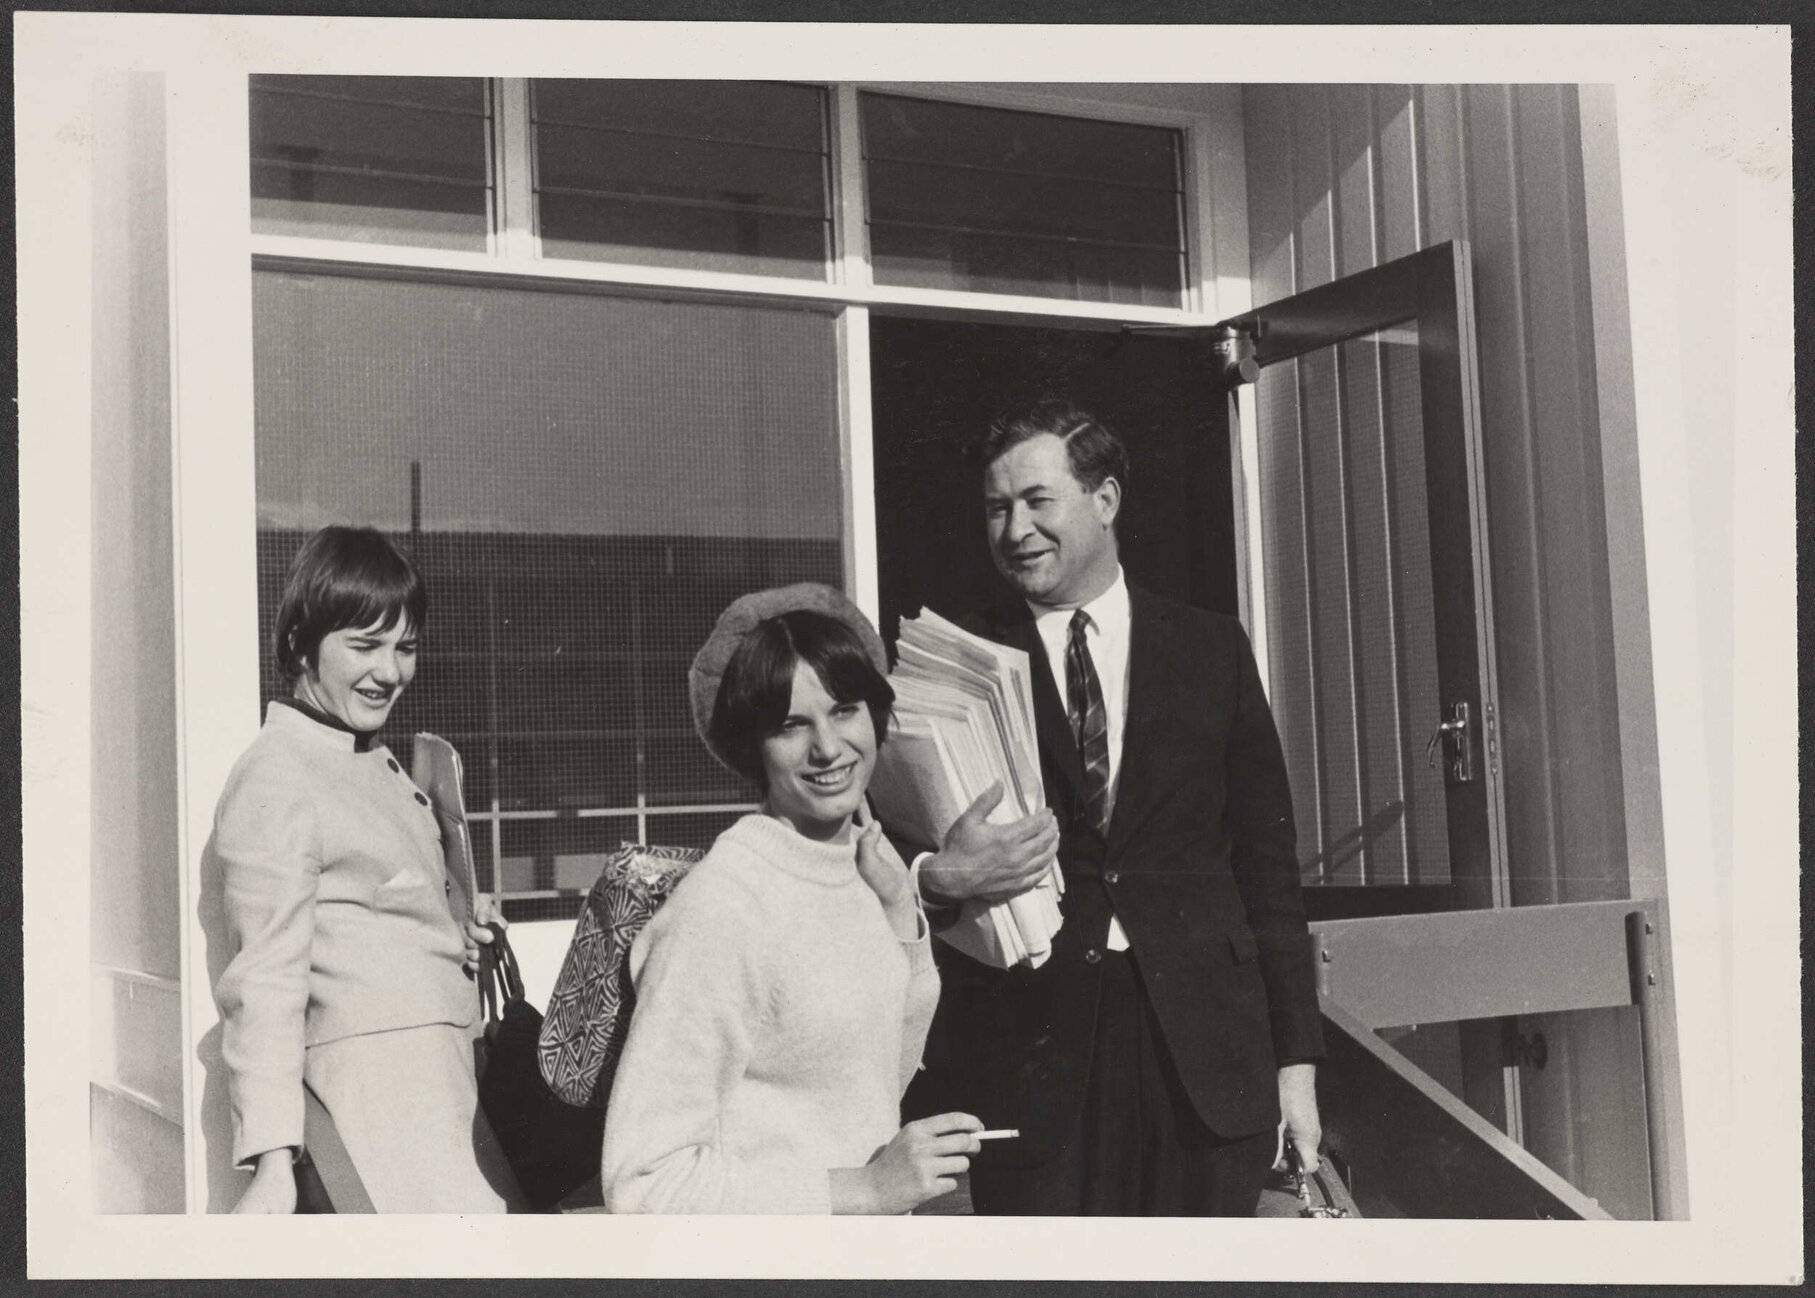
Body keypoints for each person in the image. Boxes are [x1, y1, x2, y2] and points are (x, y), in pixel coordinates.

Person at [900, 401, 1325, 1216]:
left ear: (1104, 500)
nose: (1015, 528)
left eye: (1036, 500)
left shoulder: (1213, 649)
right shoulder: (955, 655)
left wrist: (1295, 1065)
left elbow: (1268, 871)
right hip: (1035, 1056)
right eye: (996, 508)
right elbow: (893, 848)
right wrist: (939, 876)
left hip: (1204, 1057)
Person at [600, 583, 983, 1214]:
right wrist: (864, 1188)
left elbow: (870, 1081)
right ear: (752, 745)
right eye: (790, 724)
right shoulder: (724, 908)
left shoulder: (855, 870)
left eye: (844, 709)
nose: (828, 748)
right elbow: (645, 1186)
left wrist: (899, 921)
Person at [209, 525, 517, 1213]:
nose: (389, 671)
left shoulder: (361, 756)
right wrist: (271, 1164)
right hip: (380, 1118)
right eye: (365, 645)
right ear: (299, 644)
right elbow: (264, 980)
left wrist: (461, 928)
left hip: (445, 1097)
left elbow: (379, 921)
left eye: (404, 648)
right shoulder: (278, 776)